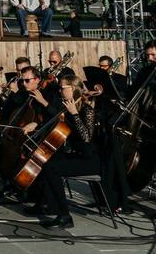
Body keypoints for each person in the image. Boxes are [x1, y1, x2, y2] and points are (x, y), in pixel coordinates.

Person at [26, 74, 102, 229]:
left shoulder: (87, 109)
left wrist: (74, 114)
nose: (59, 91)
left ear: (73, 89)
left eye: (62, 88)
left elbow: (86, 138)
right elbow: (55, 123)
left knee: (52, 168)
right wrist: (36, 125)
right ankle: (50, 205)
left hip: (89, 159)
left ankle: (65, 216)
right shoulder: (66, 106)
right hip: (75, 154)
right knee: (46, 161)